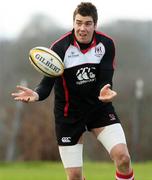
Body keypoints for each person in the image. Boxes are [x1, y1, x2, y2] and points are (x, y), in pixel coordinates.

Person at [12, 2, 134, 180]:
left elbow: (106, 78)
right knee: (75, 176)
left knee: (123, 158)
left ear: (95, 25)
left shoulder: (106, 44)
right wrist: (37, 94)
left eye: (87, 23)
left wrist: (107, 90)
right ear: (73, 23)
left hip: (99, 109)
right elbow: (47, 84)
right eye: (78, 22)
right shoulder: (60, 48)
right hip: (69, 115)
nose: (82, 28)